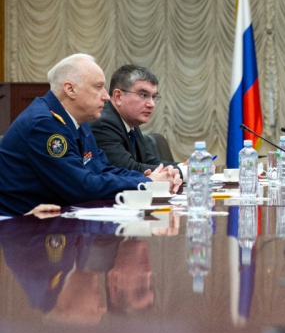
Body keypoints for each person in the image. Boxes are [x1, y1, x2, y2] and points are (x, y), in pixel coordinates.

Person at [0, 54, 180, 216]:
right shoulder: (44, 124)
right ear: (70, 89)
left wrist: (148, 178)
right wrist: (146, 182)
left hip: (54, 220)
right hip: (18, 226)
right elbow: (81, 187)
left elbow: (102, 169)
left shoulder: (78, 122)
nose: (106, 96)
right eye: (98, 87)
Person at [89, 65, 180, 174]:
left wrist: (184, 167)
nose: (151, 104)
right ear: (118, 97)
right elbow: (127, 168)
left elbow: (146, 160)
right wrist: (182, 172)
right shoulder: (104, 123)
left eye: (153, 97)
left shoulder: (130, 122)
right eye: (143, 95)